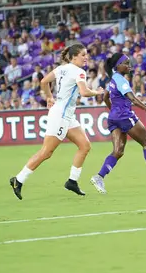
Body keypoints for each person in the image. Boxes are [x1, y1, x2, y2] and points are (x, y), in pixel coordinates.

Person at [9, 43, 104, 199]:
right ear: (74, 57)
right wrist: (97, 92)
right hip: (61, 116)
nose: (86, 57)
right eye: (83, 55)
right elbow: (84, 92)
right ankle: (18, 180)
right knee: (46, 152)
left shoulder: (62, 68)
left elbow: (44, 81)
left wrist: (49, 97)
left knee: (85, 145)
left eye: (86, 54)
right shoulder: (79, 72)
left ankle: (72, 181)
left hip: (66, 114)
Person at [90, 53, 146, 194]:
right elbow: (133, 99)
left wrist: (113, 111)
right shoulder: (121, 80)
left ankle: (99, 177)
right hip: (124, 116)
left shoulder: (112, 79)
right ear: (118, 66)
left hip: (113, 118)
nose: (129, 66)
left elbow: (105, 96)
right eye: (126, 63)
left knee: (118, 151)